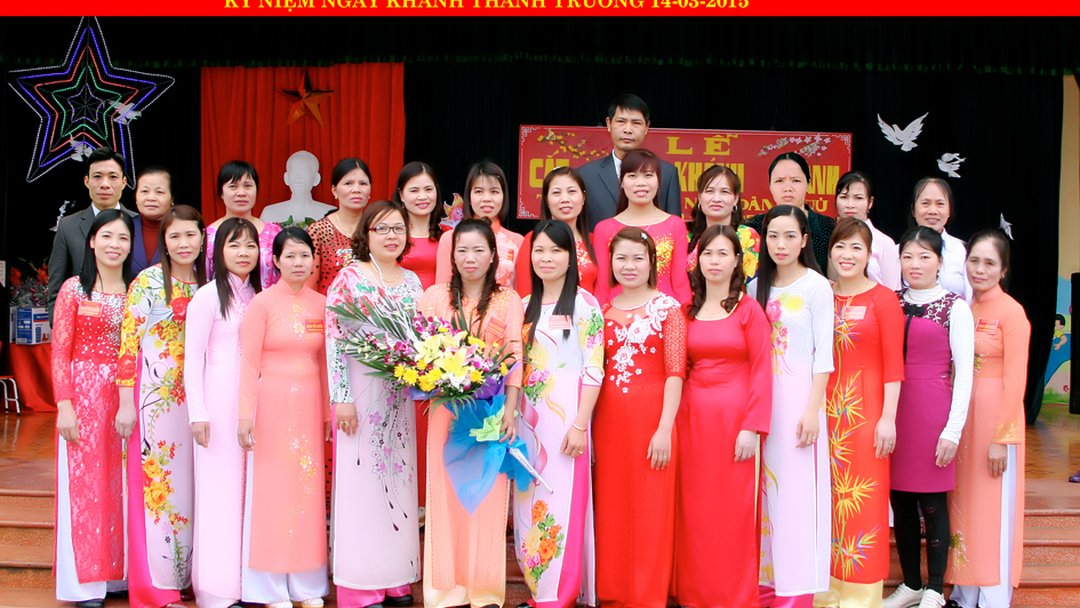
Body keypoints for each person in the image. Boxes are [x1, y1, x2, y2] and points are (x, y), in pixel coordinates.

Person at [418, 219, 524, 608]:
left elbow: (514, 354)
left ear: (493, 255)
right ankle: (445, 588)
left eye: (479, 250)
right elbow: (420, 352)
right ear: (452, 256)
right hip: (446, 410)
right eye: (462, 250)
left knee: (487, 496)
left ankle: (484, 588)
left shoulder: (507, 300)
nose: (470, 258)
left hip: (489, 411)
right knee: (445, 496)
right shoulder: (434, 297)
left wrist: (510, 409)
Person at [325, 201, 422, 608]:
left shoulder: (413, 282)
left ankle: (396, 577)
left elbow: (421, 335)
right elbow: (334, 340)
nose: (391, 236)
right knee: (362, 483)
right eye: (382, 228)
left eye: (398, 228)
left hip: (399, 396)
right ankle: (359, 584)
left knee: (398, 481)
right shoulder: (349, 278)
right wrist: (342, 398)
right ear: (366, 234)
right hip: (361, 395)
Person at [116, 205, 208, 608]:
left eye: (190, 234)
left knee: (193, 490)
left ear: (202, 237)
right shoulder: (149, 281)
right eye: (175, 236)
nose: (184, 243)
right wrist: (125, 403)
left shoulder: (210, 284)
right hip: (155, 402)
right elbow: (128, 345)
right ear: (164, 243)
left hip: (199, 401)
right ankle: (157, 586)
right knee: (159, 491)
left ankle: (189, 576)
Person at [675, 224, 771, 608]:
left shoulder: (748, 310)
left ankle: (733, 596)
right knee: (695, 509)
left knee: (732, 510)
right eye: (707, 253)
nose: (714, 261)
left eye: (722, 253)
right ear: (696, 260)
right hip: (692, 421)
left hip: (735, 422)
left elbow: (762, 370)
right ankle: (694, 594)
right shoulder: (688, 311)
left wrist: (752, 426)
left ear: (737, 262)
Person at [237, 227, 330, 608]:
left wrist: (327, 412)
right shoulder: (261, 304)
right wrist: (245, 414)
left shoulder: (321, 304)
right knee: (274, 492)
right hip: (271, 406)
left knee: (307, 491)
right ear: (275, 261)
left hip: (309, 407)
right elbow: (248, 362)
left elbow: (326, 363)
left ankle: (307, 586)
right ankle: (271, 588)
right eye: (290, 255)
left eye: (304, 255)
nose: (298, 262)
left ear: (314, 261)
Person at [593, 228, 685, 608]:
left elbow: (675, 372)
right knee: (611, 505)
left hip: (653, 422)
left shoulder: (669, 309)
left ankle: (647, 595)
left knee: (651, 509)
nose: (628, 266)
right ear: (610, 263)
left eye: (637, 258)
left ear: (652, 263)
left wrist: (665, 428)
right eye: (621, 258)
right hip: (608, 423)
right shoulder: (601, 312)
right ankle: (612, 591)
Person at [513, 220, 603, 608]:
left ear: (571, 257)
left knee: (562, 503)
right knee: (527, 504)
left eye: (556, 250)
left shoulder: (584, 305)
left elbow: (594, 368)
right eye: (539, 250)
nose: (546, 258)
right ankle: (538, 589)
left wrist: (581, 424)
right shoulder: (521, 307)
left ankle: (559, 594)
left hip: (567, 420)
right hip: (526, 423)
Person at [748, 205, 833, 608]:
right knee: (764, 495)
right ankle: (764, 587)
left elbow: (823, 356)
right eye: (772, 236)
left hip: (801, 403)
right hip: (762, 404)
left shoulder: (817, 287)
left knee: (796, 496)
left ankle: (795, 593)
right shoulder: (754, 289)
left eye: (789, 236)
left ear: (804, 240)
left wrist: (812, 410)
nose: (780, 244)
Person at [885, 227, 974, 608]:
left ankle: (935, 588)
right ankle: (911, 584)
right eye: (908, 256)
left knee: (933, 501)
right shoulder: (889, 301)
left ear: (940, 262)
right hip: (894, 410)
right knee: (901, 500)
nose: (915, 264)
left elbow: (965, 372)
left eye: (924, 256)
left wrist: (952, 430)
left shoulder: (955, 306)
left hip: (933, 410)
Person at [51, 209, 134, 608]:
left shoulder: (137, 291)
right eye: (107, 236)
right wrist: (64, 405)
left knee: (122, 483)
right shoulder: (74, 290)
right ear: (92, 242)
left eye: (123, 238)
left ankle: (119, 575)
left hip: (125, 396)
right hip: (83, 397)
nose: (114, 245)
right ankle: (84, 582)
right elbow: (59, 352)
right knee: (86, 485)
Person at [947, 230, 1030, 608]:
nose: (979, 269)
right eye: (974, 261)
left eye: (989, 263)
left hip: (996, 422)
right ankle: (966, 592)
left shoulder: (1012, 313)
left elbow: (1016, 381)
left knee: (993, 507)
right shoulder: (965, 308)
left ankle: (994, 595)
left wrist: (1002, 438)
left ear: (1004, 270)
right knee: (965, 503)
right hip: (965, 420)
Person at [824, 218, 905, 606]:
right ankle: (825, 590)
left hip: (866, 415)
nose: (847, 255)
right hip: (824, 416)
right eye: (840, 246)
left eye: (856, 247)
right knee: (826, 501)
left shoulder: (883, 300)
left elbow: (893, 366)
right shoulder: (822, 295)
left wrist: (888, 418)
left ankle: (860, 595)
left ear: (870, 254)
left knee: (864, 500)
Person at [184, 217, 262, 608]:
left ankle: (249, 582)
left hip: (254, 401)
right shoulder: (207, 297)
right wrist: (197, 413)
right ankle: (217, 589)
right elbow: (192, 358)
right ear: (218, 251)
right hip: (217, 399)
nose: (244, 252)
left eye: (250, 245)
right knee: (220, 491)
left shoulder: (258, 295)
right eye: (234, 245)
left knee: (249, 492)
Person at [591, 149, 691, 305]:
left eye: (648, 175)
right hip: (617, 313)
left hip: (664, 312)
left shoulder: (675, 225)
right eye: (632, 176)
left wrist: (683, 313)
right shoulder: (604, 229)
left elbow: (681, 285)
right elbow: (603, 286)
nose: (641, 183)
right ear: (622, 182)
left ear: (658, 181)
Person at [47, 146, 136, 321]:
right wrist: (61, 327)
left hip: (130, 327)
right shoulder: (68, 226)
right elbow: (56, 288)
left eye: (113, 177)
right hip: (82, 328)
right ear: (87, 181)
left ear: (124, 182)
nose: (105, 184)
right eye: (97, 176)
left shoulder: (138, 223)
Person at [576, 94, 682, 229]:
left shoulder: (667, 173)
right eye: (621, 121)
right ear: (608, 124)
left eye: (636, 123)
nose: (628, 130)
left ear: (647, 127)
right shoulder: (585, 175)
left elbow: (674, 228)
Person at [435, 161, 523, 288]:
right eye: (479, 191)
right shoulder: (450, 238)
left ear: (504, 196)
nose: (486, 198)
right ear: (469, 197)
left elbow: (522, 294)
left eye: (494, 191)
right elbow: (442, 290)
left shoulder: (517, 242)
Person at [745, 152, 836, 273]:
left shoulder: (829, 228)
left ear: (808, 184)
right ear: (770, 186)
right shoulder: (752, 228)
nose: (787, 188)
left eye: (796, 181)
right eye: (779, 181)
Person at [515, 166, 599, 296]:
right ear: (547, 200)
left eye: (571, 191)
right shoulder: (532, 239)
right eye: (556, 193)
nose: (565, 199)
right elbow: (525, 292)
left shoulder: (595, 241)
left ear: (583, 198)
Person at [207, 160, 283, 289]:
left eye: (247, 186)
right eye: (233, 186)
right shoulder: (209, 236)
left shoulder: (274, 233)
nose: (241, 193)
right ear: (221, 192)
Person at [307, 157, 373, 294]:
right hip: (328, 305)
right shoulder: (319, 231)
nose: (356, 189)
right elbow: (309, 285)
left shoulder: (376, 229)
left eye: (363, 183)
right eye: (348, 183)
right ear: (334, 191)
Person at [686, 164, 761, 281]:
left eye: (724, 192)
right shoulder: (685, 234)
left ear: (735, 199)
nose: (716, 199)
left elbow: (751, 284)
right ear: (700, 197)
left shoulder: (748, 237)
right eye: (710, 191)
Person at [834, 171, 900, 290]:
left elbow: (892, 290)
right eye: (844, 197)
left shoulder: (884, 243)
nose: (850, 204)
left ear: (870, 202)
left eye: (858, 198)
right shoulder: (830, 236)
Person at [910, 177, 971, 301]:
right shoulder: (898, 251)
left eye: (940, 204)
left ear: (949, 211)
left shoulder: (963, 250)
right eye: (925, 203)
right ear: (913, 210)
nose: (933, 211)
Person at [395, 161, 445, 290]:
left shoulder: (448, 235)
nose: (422, 196)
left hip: (440, 302)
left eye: (428, 189)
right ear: (401, 195)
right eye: (414, 191)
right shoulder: (391, 235)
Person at [260, 150, 336, 227]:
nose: (298, 177)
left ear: (316, 178)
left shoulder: (331, 214)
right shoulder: (269, 213)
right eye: (294, 171)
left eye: (304, 171)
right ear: (286, 177)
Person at [131, 166, 174, 274]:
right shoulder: (125, 228)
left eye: (159, 192)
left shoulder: (181, 230)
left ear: (172, 199)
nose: (151, 198)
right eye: (144, 191)